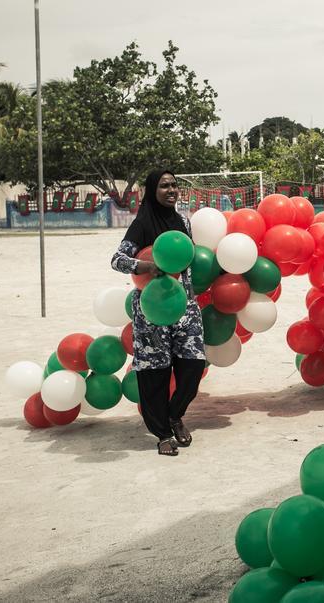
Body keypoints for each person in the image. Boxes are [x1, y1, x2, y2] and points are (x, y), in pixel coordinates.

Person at [111, 170, 205, 456]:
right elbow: (117, 260)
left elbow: (186, 262)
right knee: (155, 373)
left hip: (185, 306)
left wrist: (191, 296)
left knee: (193, 366)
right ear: (152, 191)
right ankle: (162, 433)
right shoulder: (141, 225)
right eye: (164, 186)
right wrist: (146, 266)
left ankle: (174, 415)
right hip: (152, 309)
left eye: (174, 185)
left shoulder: (183, 222)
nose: (171, 190)